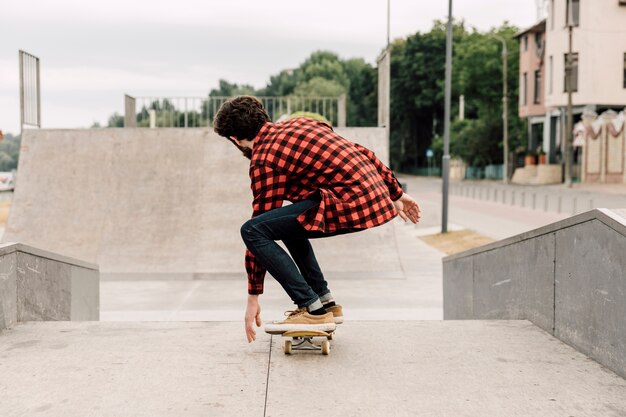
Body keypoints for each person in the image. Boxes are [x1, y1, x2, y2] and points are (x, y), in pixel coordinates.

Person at [213, 96, 421, 343]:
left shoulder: (264, 157)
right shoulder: (301, 123)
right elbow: (362, 151)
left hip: (349, 201)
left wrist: (253, 295)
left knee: (252, 230)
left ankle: (311, 309)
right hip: (370, 195)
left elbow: (258, 224)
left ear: (235, 139)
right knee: (283, 223)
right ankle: (325, 302)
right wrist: (396, 192)